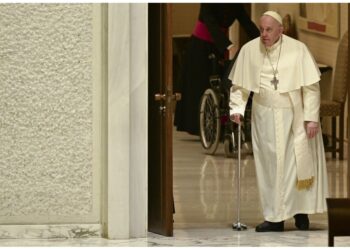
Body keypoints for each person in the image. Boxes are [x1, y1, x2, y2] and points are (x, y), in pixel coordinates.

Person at [229, 11, 328, 232]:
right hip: (264, 118)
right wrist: (237, 109)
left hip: (294, 117)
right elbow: (240, 86)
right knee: (270, 169)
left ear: (280, 30)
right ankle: (275, 218)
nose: (264, 34)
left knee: (296, 167)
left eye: (269, 30)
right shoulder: (249, 50)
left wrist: (312, 119)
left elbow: (311, 87)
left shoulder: (298, 50)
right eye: (261, 29)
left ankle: (301, 213)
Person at [174, 3, 260, 135]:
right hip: (200, 47)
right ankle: (200, 127)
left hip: (218, 45)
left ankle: (219, 125)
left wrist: (263, 40)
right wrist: (228, 45)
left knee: (219, 86)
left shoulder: (236, 5)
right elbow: (211, 24)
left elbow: (247, 23)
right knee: (200, 86)